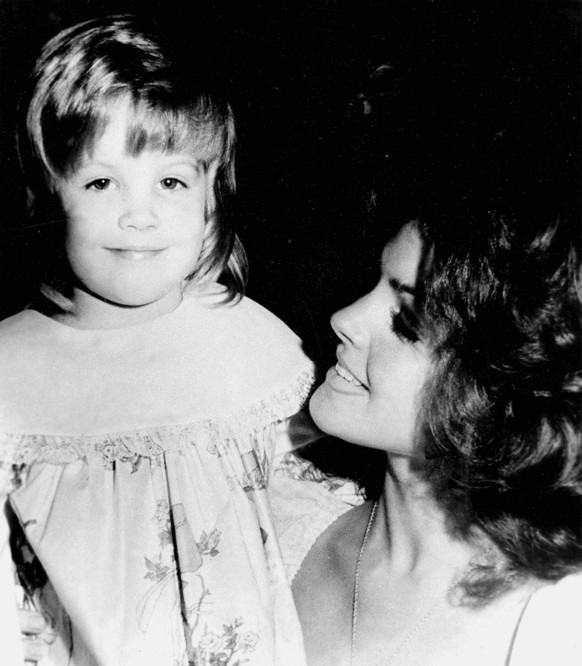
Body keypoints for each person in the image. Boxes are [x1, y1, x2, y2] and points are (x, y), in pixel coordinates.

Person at [0, 14, 316, 665]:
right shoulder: (10, 373)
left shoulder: (252, 346)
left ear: (210, 202)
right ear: (47, 196)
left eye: (171, 181)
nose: (138, 213)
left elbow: (319, 531)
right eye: (99, 181)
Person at [270, 17, 582, 663]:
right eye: (373, 283)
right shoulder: (278, 525)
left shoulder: (553, 620)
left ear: (501, 381)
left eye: (406, 316)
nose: (345, 318)